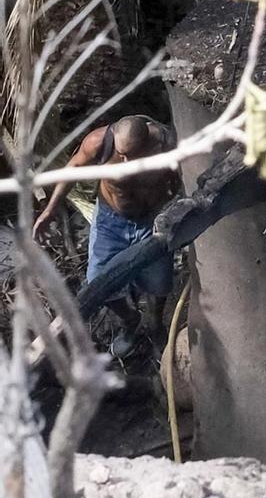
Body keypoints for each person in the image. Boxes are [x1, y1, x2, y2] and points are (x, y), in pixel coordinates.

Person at [35, 114, 180, 349]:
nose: (124, 162)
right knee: (98, 282)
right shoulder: (99, 143)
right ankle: (129, 321)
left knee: (159, 282)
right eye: (121, 155)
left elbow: (179, 176)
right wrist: (50, 210)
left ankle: (155, 325)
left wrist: (174, 203)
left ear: (147, 143)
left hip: (151, 220)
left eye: (130, 155)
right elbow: (72, 170)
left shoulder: (167, 144)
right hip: (111, 223)